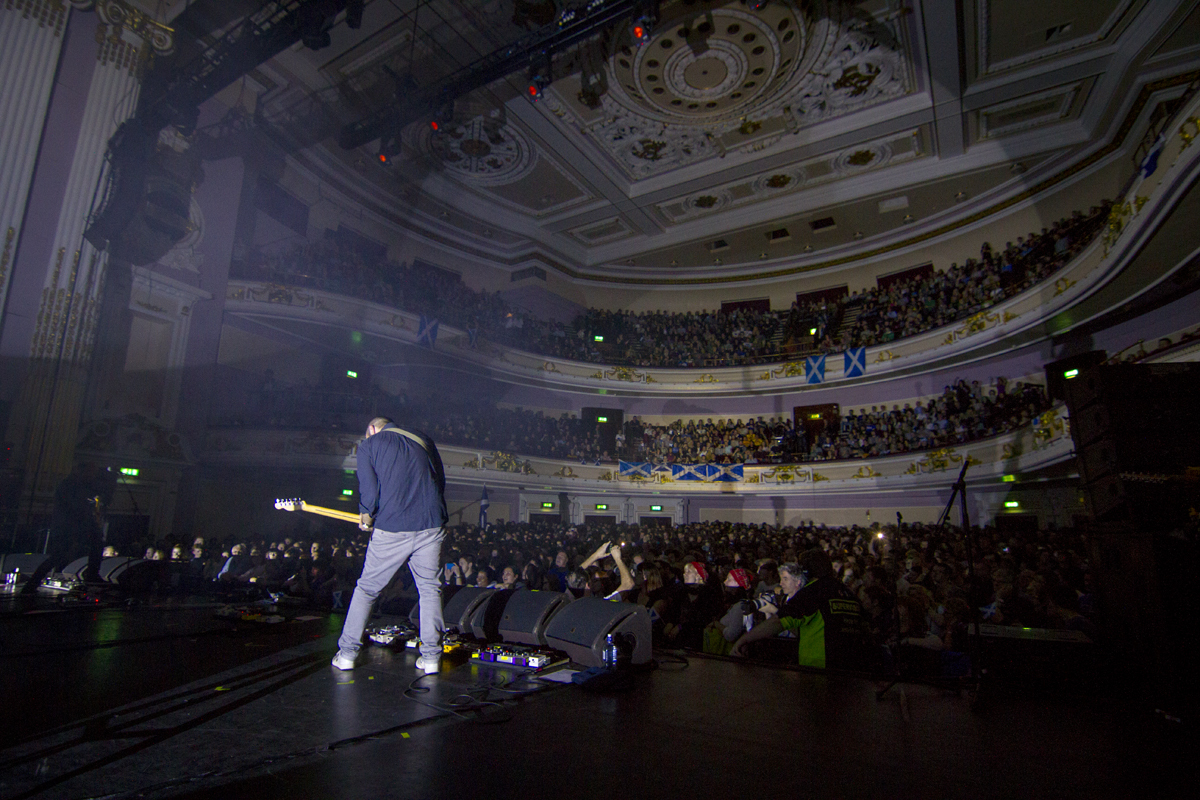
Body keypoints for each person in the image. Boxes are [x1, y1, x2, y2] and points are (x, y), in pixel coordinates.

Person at [332, 416, 448, 675]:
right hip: (431, 524)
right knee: (430, 589)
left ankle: (348, 653)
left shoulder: (369, 445)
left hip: (392, 527)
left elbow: (369, 489)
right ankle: (431, 658)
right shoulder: (422, 438)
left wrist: (366, 515)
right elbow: (439, 480)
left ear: (372, 429)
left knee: (367, 589)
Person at [732, 548, 869, 670]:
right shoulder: (848, 593)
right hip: (851, 670)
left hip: (820, 671)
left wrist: (744, 640)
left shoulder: (813, 592)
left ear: (806, 571)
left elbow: (779, 622)